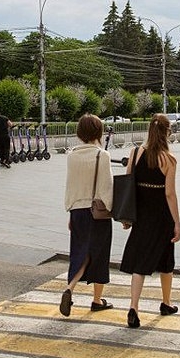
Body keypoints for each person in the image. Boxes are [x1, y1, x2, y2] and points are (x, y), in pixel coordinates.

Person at [119, 114, 180, 329]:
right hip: (162, 217)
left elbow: (128, 185)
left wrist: (126, 216)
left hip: (141, 215)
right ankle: (166, 302)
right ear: (166, 133)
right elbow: (170, 194)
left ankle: (133, 308)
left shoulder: (135, 153)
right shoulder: (169, 159)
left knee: (140, 263)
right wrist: (177, 223)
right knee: (166, 261)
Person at [60, 114, 115, 316]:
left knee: (79, 252)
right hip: (96, 212)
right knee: (98, 255)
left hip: (76, 211)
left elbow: (71, 185)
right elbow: (106, 187)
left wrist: (71, 211)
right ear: (98, 132)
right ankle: (96, 299)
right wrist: (112, 209)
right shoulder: (102, 155)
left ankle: (70, 287)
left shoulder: (72, 154)